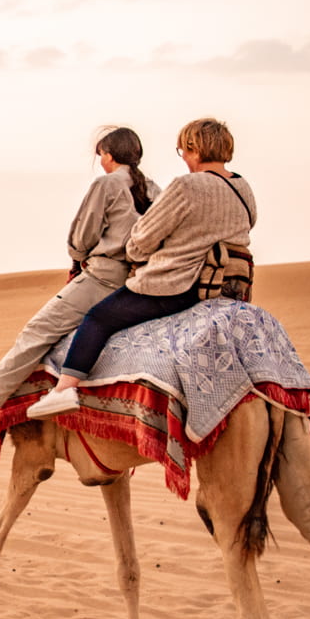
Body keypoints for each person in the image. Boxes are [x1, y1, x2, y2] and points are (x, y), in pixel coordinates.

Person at [27, 117, 256, 419]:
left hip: (179, 285)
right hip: (229, 286)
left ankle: (64, 389)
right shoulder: (242, 187)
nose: (184, 159)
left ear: (195, 149)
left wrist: (141, 250)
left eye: (183, 151)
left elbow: (141, 239)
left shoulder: (186, 186)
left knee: (98, 318)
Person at [0, 126, 160, 423]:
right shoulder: (155, 189)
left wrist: (78, 257)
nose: (101, 161)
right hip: (136, 282)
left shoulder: (106, 185)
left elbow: (82, 237)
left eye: (101, 154)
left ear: (109, 155)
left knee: (40, 330)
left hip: (102, 277)